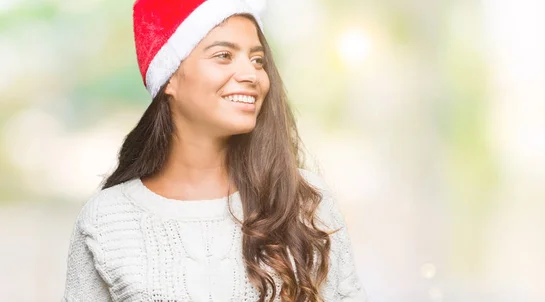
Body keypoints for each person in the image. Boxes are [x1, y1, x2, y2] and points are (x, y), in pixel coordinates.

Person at [62, 0, 368, 301]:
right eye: (224, 56)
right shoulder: (107, 219)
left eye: (258, 60)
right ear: (170, 77)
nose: (252, 75)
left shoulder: (303, 199)